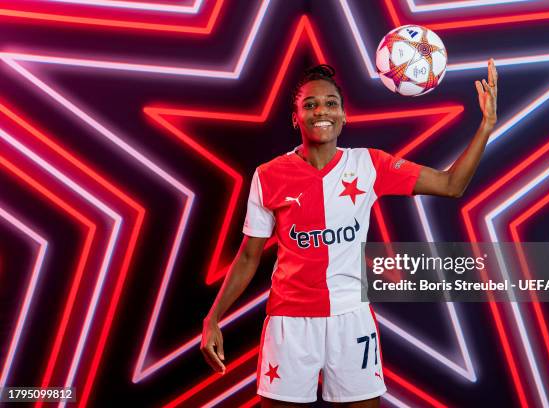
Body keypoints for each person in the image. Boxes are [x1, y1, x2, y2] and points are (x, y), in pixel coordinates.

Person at [201, 61, 498, 407]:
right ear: (295, 118)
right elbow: (249, 256)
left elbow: (451, 185)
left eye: (330, 103)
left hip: (351, 320)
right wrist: (213, 318)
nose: (321, 111)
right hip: (290, 323)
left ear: (344, 115)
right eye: (309, 105)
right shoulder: (268, 175)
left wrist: (486, 125)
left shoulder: (369, 164)